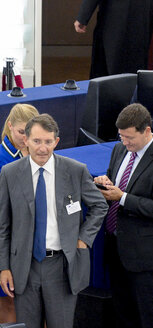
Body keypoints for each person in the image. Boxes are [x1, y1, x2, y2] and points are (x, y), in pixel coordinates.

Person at [0, 114, 107, 328]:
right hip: (24, 268)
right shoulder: (9, 173)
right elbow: (3, 226)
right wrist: (4, 268)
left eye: (48, 142)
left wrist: (84, 239)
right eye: (37, 141)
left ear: (56, 142)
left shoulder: (75, 170)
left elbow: (100, 206)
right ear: (26, 140)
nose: (42, 148)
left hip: (62, 268)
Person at [0, 103, 39, 323]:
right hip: (9, 238)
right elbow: (1, 206)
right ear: (10, 126)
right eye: (22, 132)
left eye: (31, 132)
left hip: (38, 238)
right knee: (9, 299)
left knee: (40, 299)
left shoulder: (39, 148)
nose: (26, 138)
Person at [93, 103, 153, 328]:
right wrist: (103, 182)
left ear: (146, 131)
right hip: (115, 246)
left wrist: (123, 197)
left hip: (144, 257)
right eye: (121, 137)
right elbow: (113, 180)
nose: (125, 143)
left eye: (130, 138)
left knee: (146, 314)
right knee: (121, 312)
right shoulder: (120, 150)